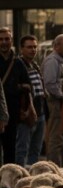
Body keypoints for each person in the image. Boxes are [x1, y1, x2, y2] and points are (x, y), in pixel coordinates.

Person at [0, 27, 30, 165]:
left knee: (10, 150)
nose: (4, 42)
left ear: (11, 41)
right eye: (1, 39)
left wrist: (15, 89)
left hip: (13, 114)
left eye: (7, 39)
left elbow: (28, 86)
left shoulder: (18, 63)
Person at [15, 35, 46, 167]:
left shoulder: (34, 64)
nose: (33, 50)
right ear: (22, 49)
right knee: (22, 149)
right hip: (26, 114)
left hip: (40, 113)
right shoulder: (18, 64)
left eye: (34, 47)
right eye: (29, 47)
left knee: (36, 150)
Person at [41, 34, 63, 165]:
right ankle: (53, 167)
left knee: (60, 138)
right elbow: (50, 84)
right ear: (56, 46)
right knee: (55, 138)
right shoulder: (52, 61)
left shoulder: (60, 60)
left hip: (59, 103)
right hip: (54, 103)